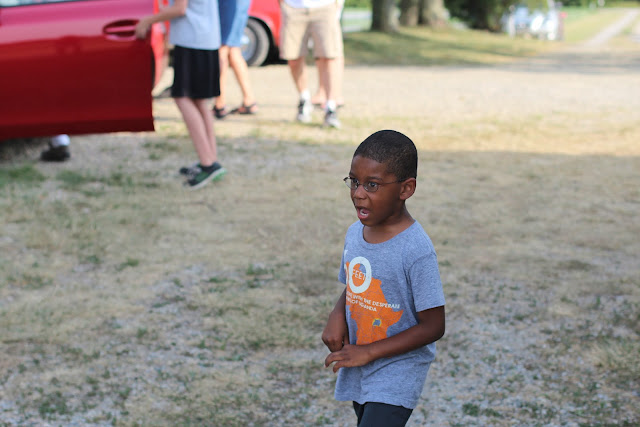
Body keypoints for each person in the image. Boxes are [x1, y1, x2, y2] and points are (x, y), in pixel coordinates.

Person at [323, 130, 446, 426]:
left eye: (372, 185)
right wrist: (337, 315)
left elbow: (434, 326)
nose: (358, 193)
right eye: (354, 181)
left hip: (397, 370)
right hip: (360, 362)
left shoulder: (416, 250)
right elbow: (354, 286)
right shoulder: (355, 234)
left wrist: (369, 352)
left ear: (406, 189)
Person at [135, 0, 226, 190]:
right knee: (200, 101)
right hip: (207, 39)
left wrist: (147, 21)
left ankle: (207, 164)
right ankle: (211, 159)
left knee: (182, 97)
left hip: (192, 41)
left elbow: (180, 9)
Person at [279, 0, 342, 128]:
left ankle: (331, 107)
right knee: (293, 57)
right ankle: (304, 99)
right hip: (293, 6)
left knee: (329, 56)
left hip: (325, 6)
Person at [212, 0, 258, 119]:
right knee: (233, 49)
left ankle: (220, 103)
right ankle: (248, 100)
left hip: (230, 4)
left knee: (223, 49)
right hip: (238, 4)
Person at [311, 0, 344, 110]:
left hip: (329, 4)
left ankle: (335, 94)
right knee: (322, 50)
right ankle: (322, 91)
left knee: (332, 51)